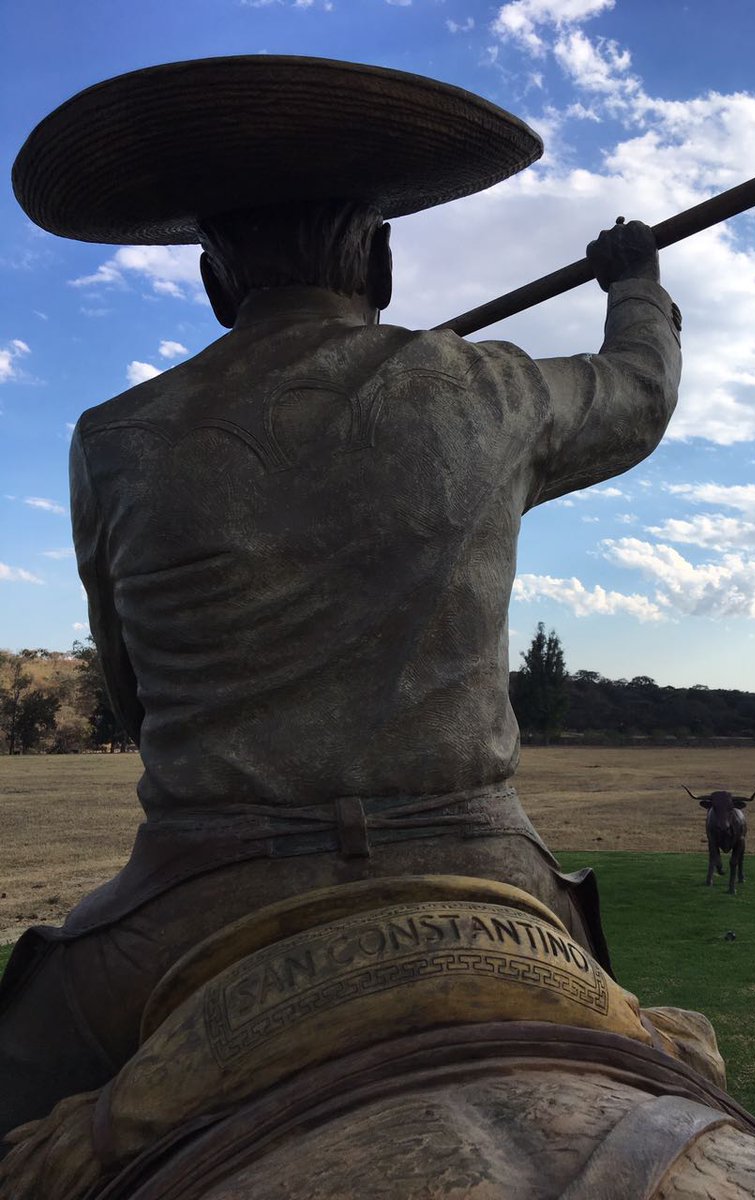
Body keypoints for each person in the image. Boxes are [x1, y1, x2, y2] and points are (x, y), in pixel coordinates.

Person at [1, 56, 681, 1144]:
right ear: (383, 258)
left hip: (198, 889)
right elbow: (640, 395)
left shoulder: (114, 440)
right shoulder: (491, 388)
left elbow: (129, 688)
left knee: (21, 1100)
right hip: (486, 865)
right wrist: (634, 283)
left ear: (218, 278)